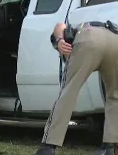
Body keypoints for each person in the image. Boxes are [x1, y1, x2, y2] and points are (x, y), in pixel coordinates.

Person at [34, 21, 118, 155]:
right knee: (115, 96)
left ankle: (48, 147)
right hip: (115, 39)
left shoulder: (68, 38)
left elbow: (59, 25)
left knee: (68, 92)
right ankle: (110, 147)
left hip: (89, 37)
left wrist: (59, 40)